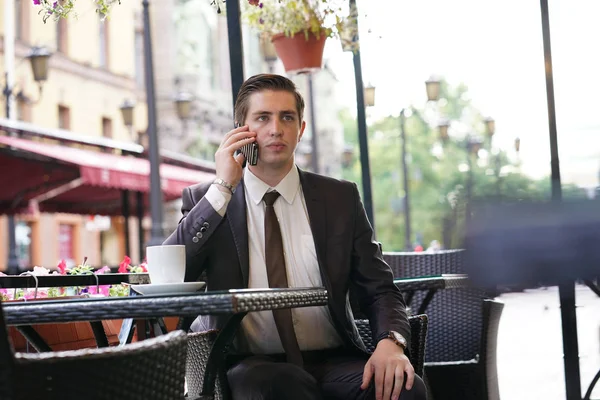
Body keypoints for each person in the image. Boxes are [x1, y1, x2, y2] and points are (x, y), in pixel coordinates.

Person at [164, 74, 426, 400]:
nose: (276, 128)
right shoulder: (210, 200)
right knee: (279, 386)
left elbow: (379, 288)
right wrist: (222, 189)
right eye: (263, 117)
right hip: (251, 365)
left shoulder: (339, 198)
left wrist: (391, 342)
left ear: (301, 129)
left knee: (406, 389)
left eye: (287, 117)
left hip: (334, 358)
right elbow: (170, 273)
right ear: (240, 130)